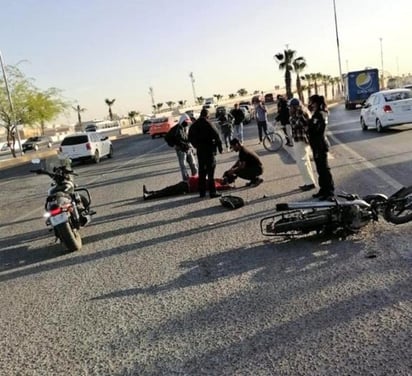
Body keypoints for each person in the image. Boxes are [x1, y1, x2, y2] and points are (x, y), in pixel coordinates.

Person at [188, 108, 223, 198]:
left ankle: (202, 193)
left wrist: (196, 145)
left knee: (202, 171)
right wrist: (220, 148)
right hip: (209, 150)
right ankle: (212, 192)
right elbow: (217, 135)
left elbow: (190, 137)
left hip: (200, 150)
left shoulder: (194, 125)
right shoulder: (209, 123)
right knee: (210, 172)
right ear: (207, 115)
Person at [307, 94, 335, 200]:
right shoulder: (317, 114)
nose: (310, 104)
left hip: (320, 145)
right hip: (316, 144)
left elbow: (316, 130)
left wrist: (309, 127)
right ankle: (323, 189)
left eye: (312, 102)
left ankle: (329, 191)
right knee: (320, 169)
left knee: (324, 169)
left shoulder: (320, 114)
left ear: (316, 103)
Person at [288, 98, 316, 192]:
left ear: (295, 107)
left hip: (301, 139)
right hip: (299, 139)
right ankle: (309, 181)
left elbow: (299, 125)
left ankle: (309, 183)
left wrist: (292, 119)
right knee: (304, 161)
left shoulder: (301, 114)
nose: (290, 109)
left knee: (302, 161)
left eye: (291, 107)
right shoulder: (301, 113)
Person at [143, 176, 231, 200]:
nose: (220, 178)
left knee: (167, 191)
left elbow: (223, 188)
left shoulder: (215, 185)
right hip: (186, 183)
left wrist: (229, 186)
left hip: (186, 187)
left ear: (222, 182)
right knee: (167, 189)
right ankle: (150, 193)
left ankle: (149, 196)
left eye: (222, 179)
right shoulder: (213, 180)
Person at [174, 113, 198, 181]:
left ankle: (195, 178)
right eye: (186, 122)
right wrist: (182, 145)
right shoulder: (177, 129)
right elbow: (178, 140)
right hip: (181, 150)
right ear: (182, 121)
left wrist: (192, 148)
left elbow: (188, 139)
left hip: (188, 148)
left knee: (193, 164)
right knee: (183, 165)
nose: (187, 123)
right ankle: (186, 180)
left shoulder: (187, 128)